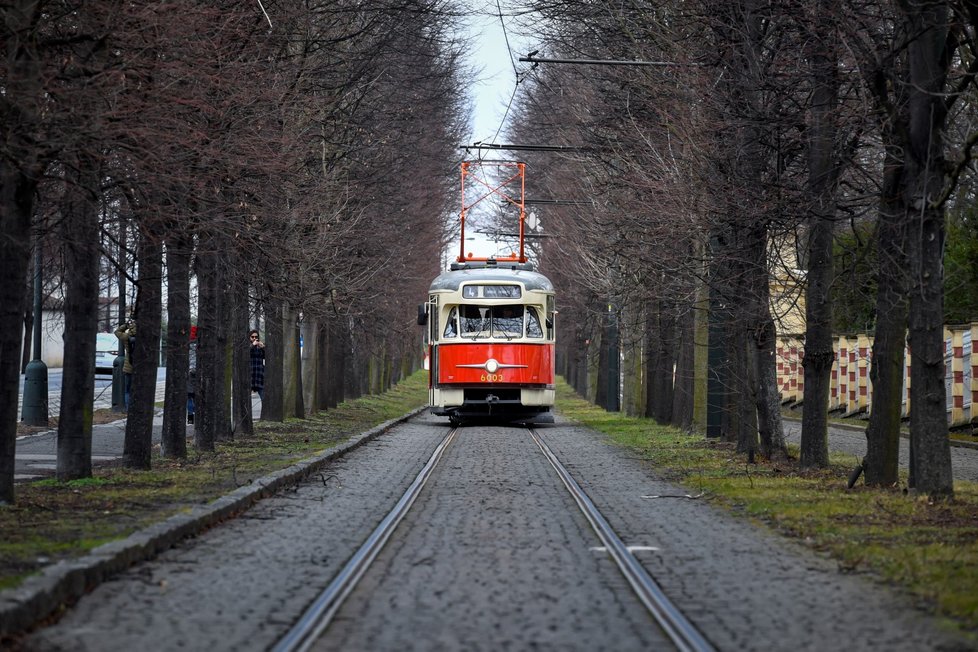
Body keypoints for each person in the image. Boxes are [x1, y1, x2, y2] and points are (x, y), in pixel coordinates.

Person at [114, 318, 136, 409]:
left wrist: (126, 325)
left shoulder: (126, 337)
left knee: (127, 390)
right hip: (141, 366)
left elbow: (117, 331)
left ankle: (128, 408)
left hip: (129, 365)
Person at [249, 329, 265, 400]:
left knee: (263, 397)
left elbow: (266, 357)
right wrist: (252, 345)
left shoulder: (260, 347)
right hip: (250, 375)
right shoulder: (248, 346)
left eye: (256, 337)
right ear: (249, 337)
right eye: (252, 337)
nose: (254, 338)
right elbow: (246, 353)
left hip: (259, 376)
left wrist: (263, 348)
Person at [187, 329, 197, 425]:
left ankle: (190, 417)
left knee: (189, 396)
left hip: (189, 373)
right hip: (197, 372)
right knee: (196, 396)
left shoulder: (186, 346)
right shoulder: (199, 346)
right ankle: (196, 414)